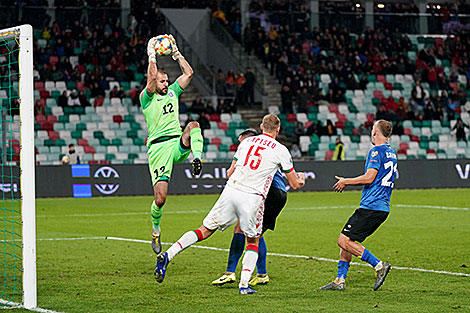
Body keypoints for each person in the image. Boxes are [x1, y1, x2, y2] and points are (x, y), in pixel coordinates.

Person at [154, 114, 306, 295]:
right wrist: (302, 180)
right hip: (252, 197)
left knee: (204, 230)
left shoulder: (246, 143)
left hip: (231, 190)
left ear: (261, 126)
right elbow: (295, 184)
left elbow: (230, 171)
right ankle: (244, 285)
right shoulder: (281, 150)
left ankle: (168, 255)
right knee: (252, 240)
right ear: (278, 130)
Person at [142, 34, 204, 257]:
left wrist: (176, 54)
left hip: (176, 143)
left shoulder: (173, 93)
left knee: (194, 125)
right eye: (162, 81)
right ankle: (156, 230)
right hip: (158, 149)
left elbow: (189, 73)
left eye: (167, 81)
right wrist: (152, 55)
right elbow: (150, 81)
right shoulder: (146, 98)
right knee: (160, 199)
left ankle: (197, 157)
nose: (166, 84)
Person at [320, 120, 397, 291]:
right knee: (348, 240)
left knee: (343, 240)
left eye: (372, 130)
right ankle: (340, 280)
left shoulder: (376, 151)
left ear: (375, 133)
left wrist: (346, 181)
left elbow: (369, 177)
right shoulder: (391, 152)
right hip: (381, 206)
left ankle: (378, 265)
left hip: (372, 206)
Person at [212, 129, 289, 287]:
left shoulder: (251, 152)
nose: (241, 146)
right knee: (255, 233)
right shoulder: (268, 151)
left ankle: (230, 272)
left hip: (270, 193)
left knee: (241, 229)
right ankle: (261, 274)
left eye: (241, 142)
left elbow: (230, 173)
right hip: (277, 193)